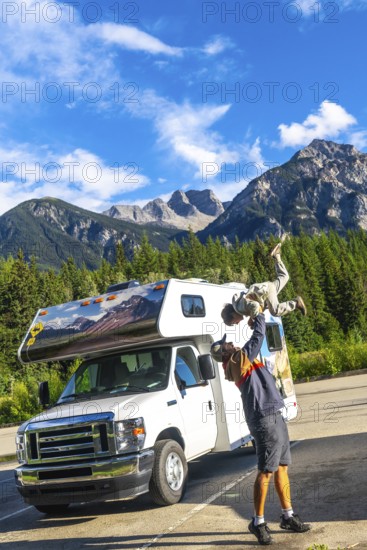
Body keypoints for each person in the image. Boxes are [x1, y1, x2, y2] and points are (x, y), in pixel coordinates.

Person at [210, 315, 311, 545]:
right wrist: (258, 319)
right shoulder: (236, 361)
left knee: (282, 467)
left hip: (274, 413)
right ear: (223, 353)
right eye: (226, 344)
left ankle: (288, 516)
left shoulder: (241, 359)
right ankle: (258, 521)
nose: (230, 343)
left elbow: (257, 347)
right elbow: (257, 339)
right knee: (266, 470)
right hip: (263, 418)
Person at [221, 241, 307, 327]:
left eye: (234, 322)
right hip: (266, 288)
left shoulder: (240, 308)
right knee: (284, 276)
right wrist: (252, 317)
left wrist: (253, 318)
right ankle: (277, 256)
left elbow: (255, 305)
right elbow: (254, 304)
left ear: (232, 315)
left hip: (266, 292)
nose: (237, 323)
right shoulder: (239, 305)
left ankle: (296, 303)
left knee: (275, 311)